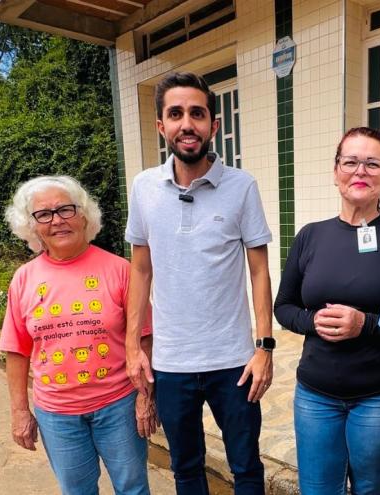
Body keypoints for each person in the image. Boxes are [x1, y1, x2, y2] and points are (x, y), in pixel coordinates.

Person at [124, 72, 274, 495]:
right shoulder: (144, 188)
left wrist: (264, 348)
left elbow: (259, 271)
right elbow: (140, 269)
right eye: (176, 114)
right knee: (185, 468)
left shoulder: (242, 187)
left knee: (246, 467)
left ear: (213, 124)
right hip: (172, 366)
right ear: (161, 125)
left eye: (197, 113)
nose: (187, 123)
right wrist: (133, 345)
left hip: (234, 363)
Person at [0, 175, 155, 495]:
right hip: (56, 415)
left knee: (133, 488)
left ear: (84, 215)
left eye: (66, 209)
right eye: (44, 214)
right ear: (32, 226)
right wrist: (19, 411)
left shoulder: (120, 270)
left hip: (118, 406)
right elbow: (16, 350)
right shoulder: (24, 279)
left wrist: (146, 397)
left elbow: (145, 338)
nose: (57, 221)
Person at [274, 127, 380, 495]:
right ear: (335, 172)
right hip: (315, 396)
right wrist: (311, 321)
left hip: (377, 397)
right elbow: (284, 307)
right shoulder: (310, 236)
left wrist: (365, 324)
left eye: (372, 164)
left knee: (372, 490)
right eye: (350, 162)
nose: (360, 171)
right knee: (317, 489)